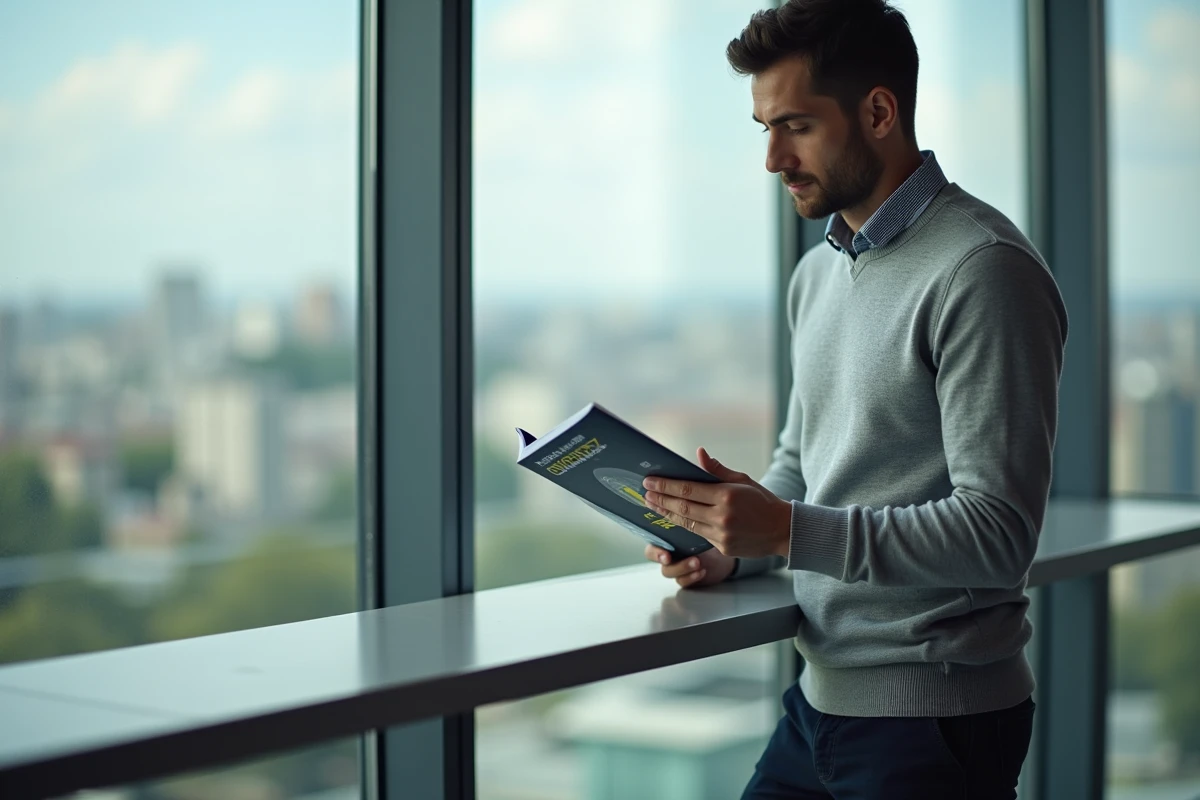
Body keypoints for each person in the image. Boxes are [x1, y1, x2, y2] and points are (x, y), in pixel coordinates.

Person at [639, 1, 1068, 797]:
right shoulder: (818, 276)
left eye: (795, 125)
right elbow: (805, 466)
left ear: (878, 111)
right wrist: (733, 543)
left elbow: (999, 533)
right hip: (817, 703)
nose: (771, 157)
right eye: (763, 126)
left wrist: (788, 530)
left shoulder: (983, 269)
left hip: (937, 721)